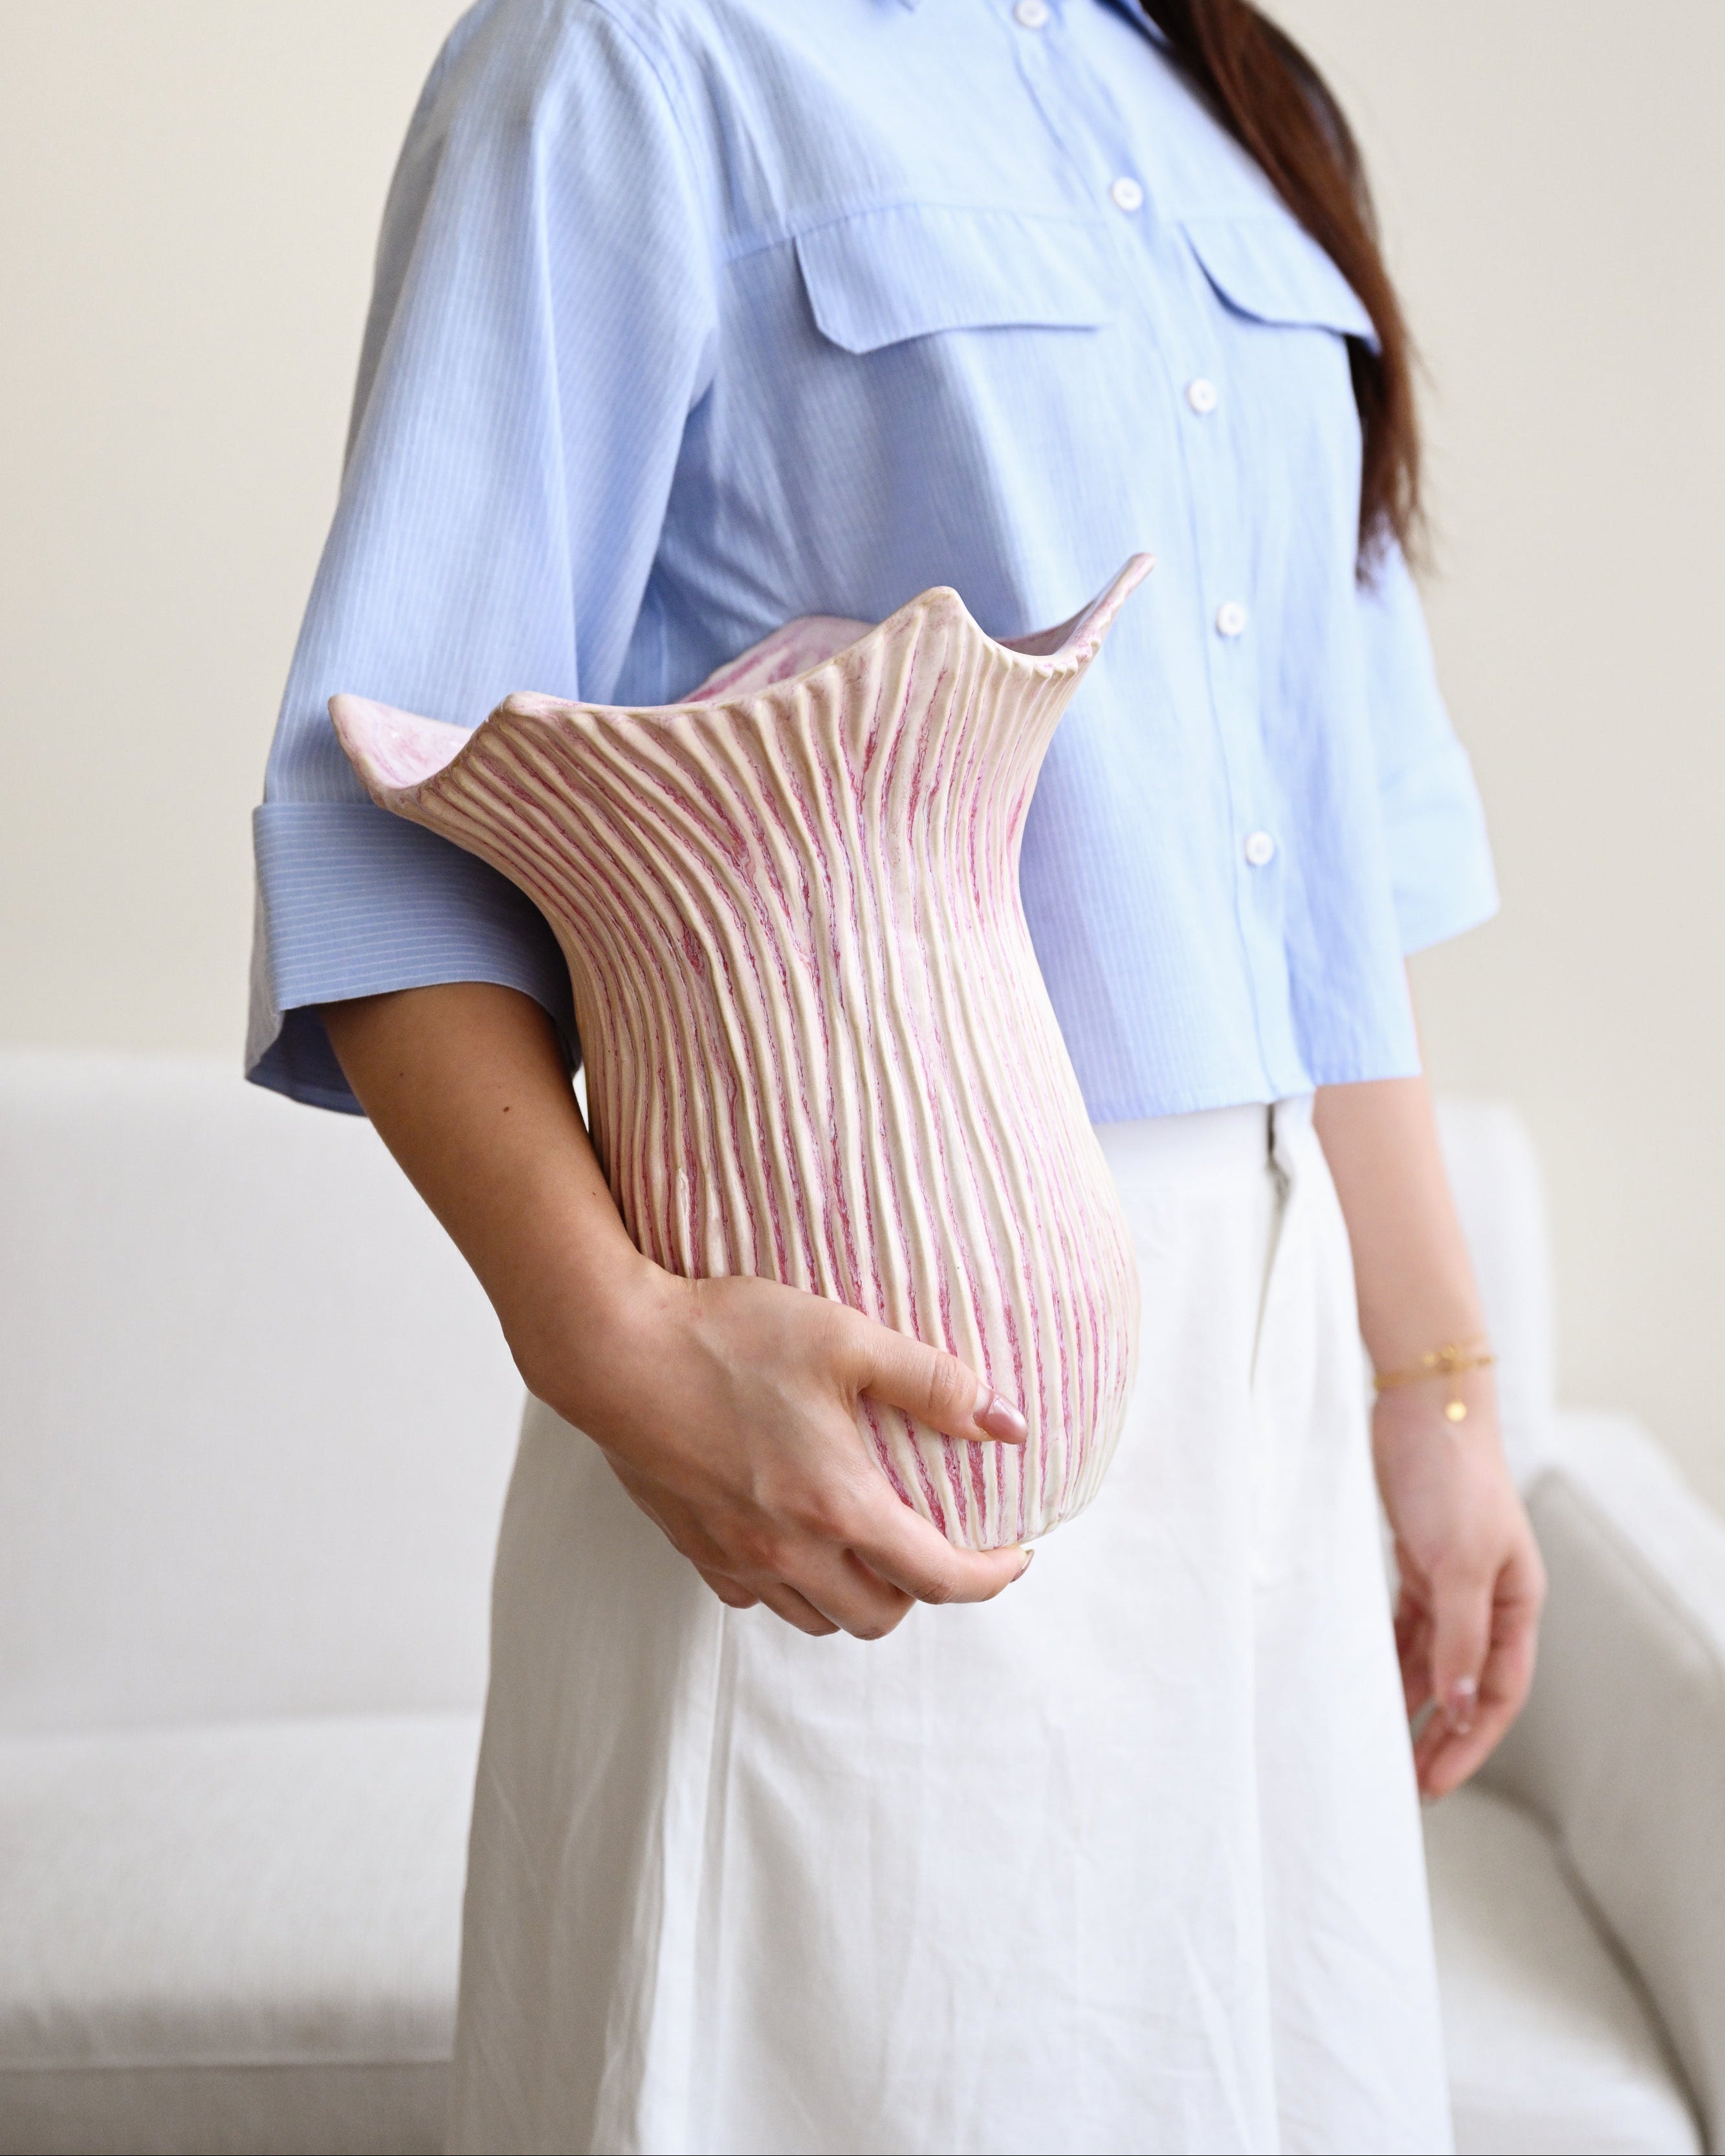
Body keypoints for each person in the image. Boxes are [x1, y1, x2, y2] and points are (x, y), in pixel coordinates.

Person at [247, 1, 1545, 2148]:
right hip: (844, 1399)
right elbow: (381, 802)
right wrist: (623, 1350)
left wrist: (1433, 1395)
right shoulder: (625, 58)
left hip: (1269, 1420)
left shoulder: (1232, 103)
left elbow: (1345, 848)